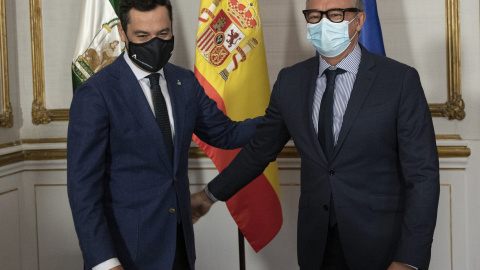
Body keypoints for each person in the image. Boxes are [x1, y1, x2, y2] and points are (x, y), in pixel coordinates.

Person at [191, 0, 440, 269]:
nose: (322, 23)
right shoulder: (290, 81)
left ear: (359, 21)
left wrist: (409, 259)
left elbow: (422, 174)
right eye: (314, 15)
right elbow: (258, 152)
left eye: (334, 15)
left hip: (381, 245)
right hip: (318, 245)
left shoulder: (399, 80)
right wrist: (208, 196)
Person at [67, 0, 260, 269]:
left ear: (171, 29)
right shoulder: (96, 93)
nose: (154, 43)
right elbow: (83, 189)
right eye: (142, 36)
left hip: (179, 246)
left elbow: (226, 134)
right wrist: (104, 262)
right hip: (125, 253)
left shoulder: (185, 82)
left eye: (162, 34)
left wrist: (284, 116)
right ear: (123, 34)